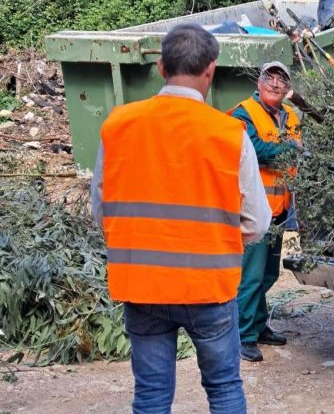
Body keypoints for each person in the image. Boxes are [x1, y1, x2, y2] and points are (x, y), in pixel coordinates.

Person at [90, 24, 271, 414]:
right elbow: (257, 222)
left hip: (141, 283)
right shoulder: (229, 133)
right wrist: (216, 241)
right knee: (224, 389)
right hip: (209, 285)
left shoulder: (117, 126)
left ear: (160, 68)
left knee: (152, 395)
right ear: (210, 69)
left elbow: (101, 210)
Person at [228, 61, 302, 362]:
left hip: (279, 208)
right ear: (259, 83)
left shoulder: (290, 116)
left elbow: (298, 149)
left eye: (281, 80)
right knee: (251, 276)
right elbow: (253, 150)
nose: (274, 84)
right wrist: (291, 149)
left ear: (287, 89)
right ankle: (242, 336)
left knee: (269, 273)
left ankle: (258, 327)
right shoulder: (244, 112)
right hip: (252, 210)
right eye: (269, 78)